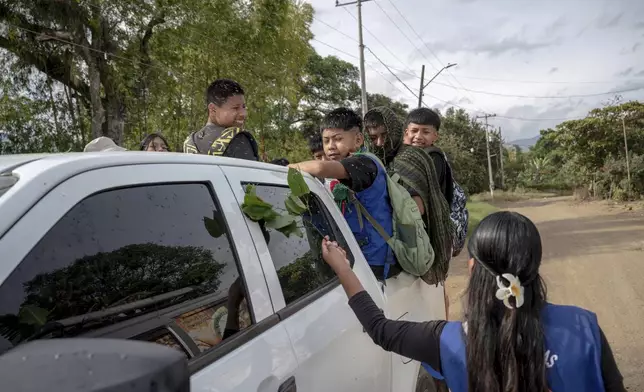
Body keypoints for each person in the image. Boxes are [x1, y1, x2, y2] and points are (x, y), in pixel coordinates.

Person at [320, 212, 625, 392]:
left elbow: (379, 329)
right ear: (535, 264)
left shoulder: (448, 342)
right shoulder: (584, 326)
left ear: (472, 267)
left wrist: (343, 268)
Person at [289, 107, 400, 280]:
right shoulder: (337, 178)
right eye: (326, 141)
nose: (330, 147)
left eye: (338, 139)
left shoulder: (365, 164)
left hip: (374, 262)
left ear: (358, 140)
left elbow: (319, 167)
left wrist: (285, 169)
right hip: (357, 257)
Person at [364, 106, 453, 285]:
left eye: (385, 136)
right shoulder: (373, 160)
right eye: (373, 138)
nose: (380, 143)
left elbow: (416, 209)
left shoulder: (414, 158)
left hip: (417, 240)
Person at [183, 79, 259, 160]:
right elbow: (250, 172)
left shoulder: (190, 143)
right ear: (213, 109)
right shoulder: (237, 139)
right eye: (235, 108)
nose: (243, 114)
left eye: (244, 107)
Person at [403, 108, 453, 205]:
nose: (418, 136)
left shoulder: (433, 157)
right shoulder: (405, 156)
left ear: (435, 136)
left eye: (425, 132)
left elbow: (420, 193)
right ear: (406, 133)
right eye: (414, 131)